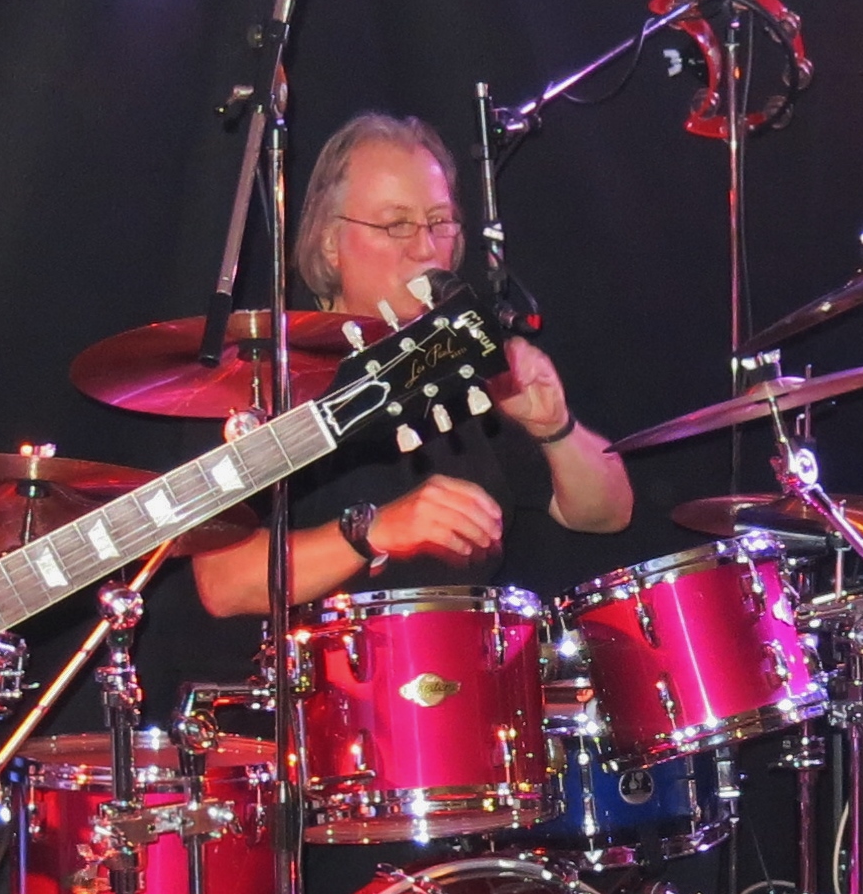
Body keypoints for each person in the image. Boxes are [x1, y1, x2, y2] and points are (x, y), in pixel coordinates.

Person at [186, 113, 629, 619]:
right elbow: (222, 581)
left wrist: (556, 428)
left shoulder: (462, 357)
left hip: (471, 658)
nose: (425, 249)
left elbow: (608, 514)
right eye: (396, 225)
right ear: (330, 243)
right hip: (319, 666)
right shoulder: (264, 374)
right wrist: (375, 530)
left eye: (439, 223)